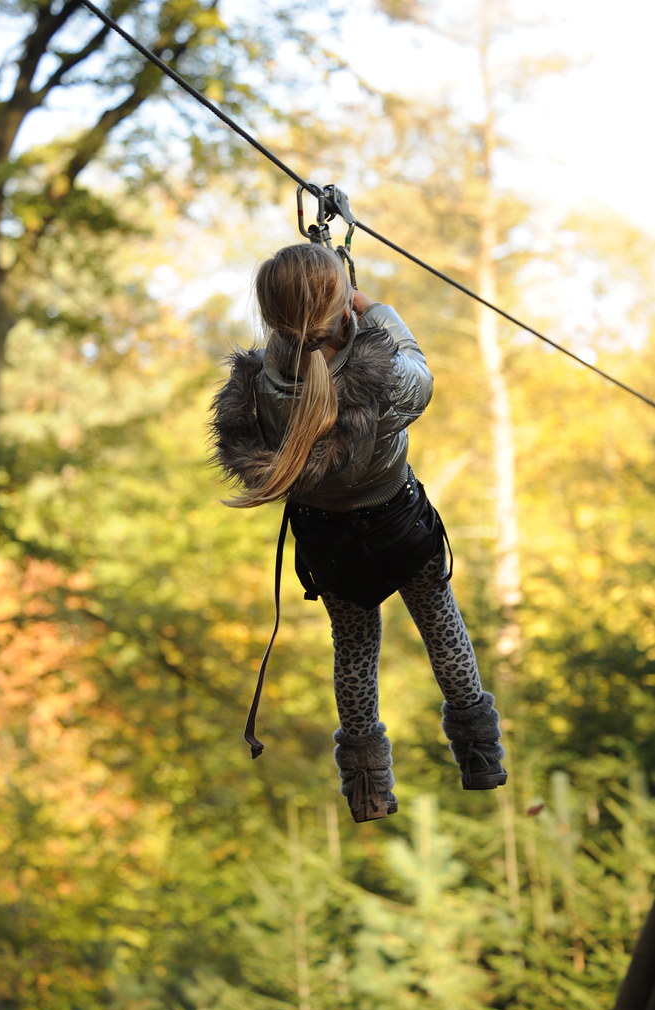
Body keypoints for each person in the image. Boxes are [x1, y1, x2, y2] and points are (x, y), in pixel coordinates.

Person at [211, 243, 506, 823]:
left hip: (328, 540)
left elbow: (294, 346)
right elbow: (420, 372)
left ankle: (368, 786)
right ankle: (480, 754)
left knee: (353, 649)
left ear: (272, 316)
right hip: (398, 523)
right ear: (343, 309)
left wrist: (319, 302)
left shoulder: (260, 390)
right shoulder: (383, 382)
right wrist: (377, 312)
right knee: (442, 628)